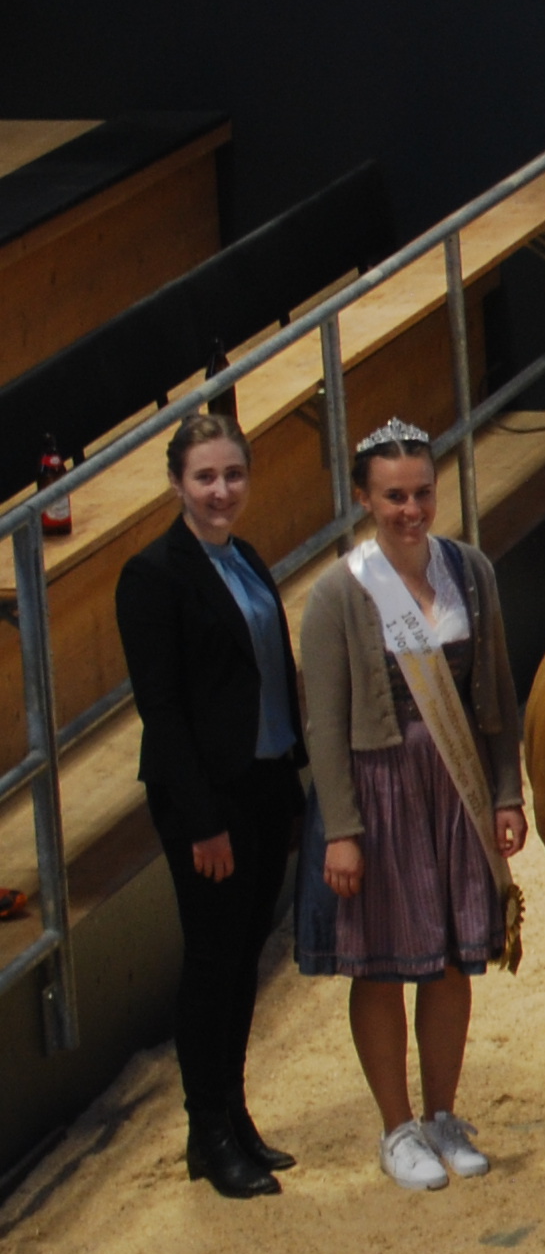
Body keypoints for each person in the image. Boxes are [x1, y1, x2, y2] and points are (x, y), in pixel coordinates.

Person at [296, 422, 529, 1191]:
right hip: (381, 793)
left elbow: (496, 690)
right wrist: (341, 831)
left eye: (422, 492)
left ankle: (442, 1115)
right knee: (385, 961)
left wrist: (505, 793)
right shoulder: (339, 592)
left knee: (452, 957)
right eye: (393, 496)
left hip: (456, 789)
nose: (411, 509)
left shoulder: (470, 571)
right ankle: (396, 1129)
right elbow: (323, 725)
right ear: (363, 499)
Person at [114, 410, 305, 1201]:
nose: (221, 490)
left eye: (232, 475)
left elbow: (268, 672)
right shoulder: (153, 576)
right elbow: (162, 710)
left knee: (246, 955)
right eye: (205, 477)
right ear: (176, 484)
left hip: (262, 782)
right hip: (207, 800)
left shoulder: (245, 557)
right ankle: (207, 1129)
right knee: (213, 959)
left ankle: (233, 1110)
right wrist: (203, 822)